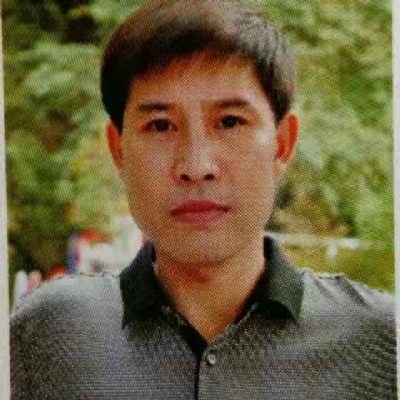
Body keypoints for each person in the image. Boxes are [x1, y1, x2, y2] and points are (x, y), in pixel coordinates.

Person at [10, 0, 396, 399]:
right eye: (161, 125)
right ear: (119, 150)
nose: (196, 166)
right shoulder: (51, 334)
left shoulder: (379, 344)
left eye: (230, 122)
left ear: (282, 144)